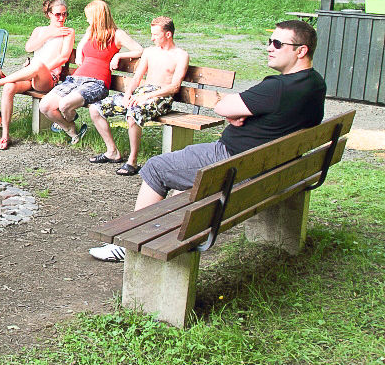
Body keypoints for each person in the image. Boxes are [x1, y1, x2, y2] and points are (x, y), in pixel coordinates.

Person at [89, 20, 326, 262]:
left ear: (301, 50)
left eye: (277, 43)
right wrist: (242, 112)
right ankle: (160, 228)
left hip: (232, 162)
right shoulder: (315, 84)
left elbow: (222, 106)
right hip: (274, 168)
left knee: (156, 167)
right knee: (183, 172)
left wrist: (237, 111)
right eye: (269, 41)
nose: (269, 47)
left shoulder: (277, 88)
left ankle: (132, 242)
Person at [88, 16, 189, 176]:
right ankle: (112, 151)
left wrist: (146, 97)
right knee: (96, 108)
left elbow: (174, 87)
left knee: (133, 113)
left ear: (168, 34)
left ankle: (132, 162)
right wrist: (128, 93)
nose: (152, 38)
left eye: (156, 35)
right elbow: (136, 78)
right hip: (141, 92)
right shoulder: (149, 52)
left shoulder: (181, 55)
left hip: (162, 96)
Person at [38, 0, 143, 145]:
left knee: (64, 105)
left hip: (97, 82)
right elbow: (81, 44)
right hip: (76, 79)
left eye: (89, 16)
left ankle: (69, 121)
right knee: (45, 106)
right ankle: (71, 129)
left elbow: (139, 50)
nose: (87, 19)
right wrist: (80, 54)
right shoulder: (90, 30)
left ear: (97, 16)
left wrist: (118, 56)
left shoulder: (117, 34)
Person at [0, 0, 75, 150]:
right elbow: (29, 47)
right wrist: (50, 34)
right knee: (10, 87)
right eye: (57, 14)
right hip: (32, 76)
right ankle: (5, 135)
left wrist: (40, 69)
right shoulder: (39, 30)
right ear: (49, 14)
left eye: (64, 14)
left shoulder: (68, 32)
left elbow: (63, 57)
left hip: (48, 79)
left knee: (36, 64)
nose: (61, 18)